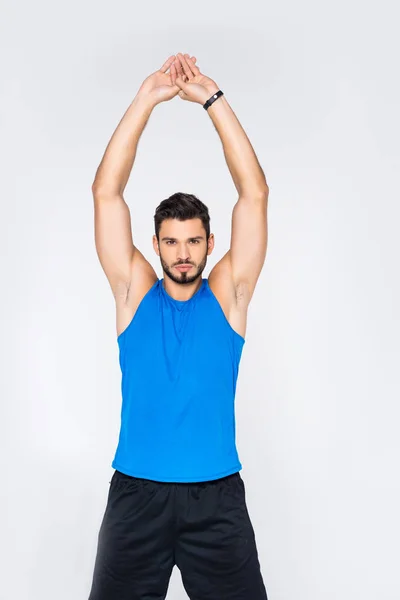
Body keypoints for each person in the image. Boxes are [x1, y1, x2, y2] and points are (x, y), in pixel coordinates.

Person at [88, 52, 269, 600]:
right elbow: (106, 193)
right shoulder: (133, 292)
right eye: (172, 241)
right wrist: (146, 99)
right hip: (136, 497)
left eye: (194, 241)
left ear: (210, 244)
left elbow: (254, 194)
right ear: (156, 245)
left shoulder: (229, 293)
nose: (183, 253)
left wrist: (213, 100)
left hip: (216, 501)